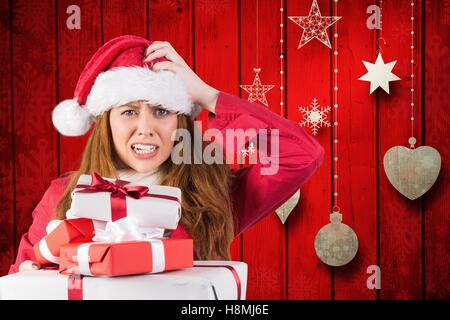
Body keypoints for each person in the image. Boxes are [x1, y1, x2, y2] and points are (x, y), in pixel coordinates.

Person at [9, 35, 324, 274]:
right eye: (129, 111)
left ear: (180, 120)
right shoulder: (63, 195)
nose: (146, 128)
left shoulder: (213, 193)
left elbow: (300, 154)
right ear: (105, 123)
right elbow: (22, 279)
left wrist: (206, 94)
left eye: (161, 110)